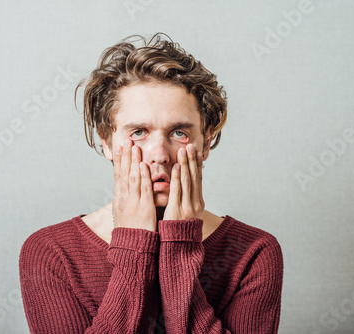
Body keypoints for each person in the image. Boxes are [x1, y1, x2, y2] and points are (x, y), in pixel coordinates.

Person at [19, 32, 283, 333]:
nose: (159, 155)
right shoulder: (51, 252)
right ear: (107, 141)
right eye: (138, 133)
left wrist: (180, 247)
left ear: (205, 143)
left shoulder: (255, 252)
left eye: (179, 133)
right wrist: (134, 246)